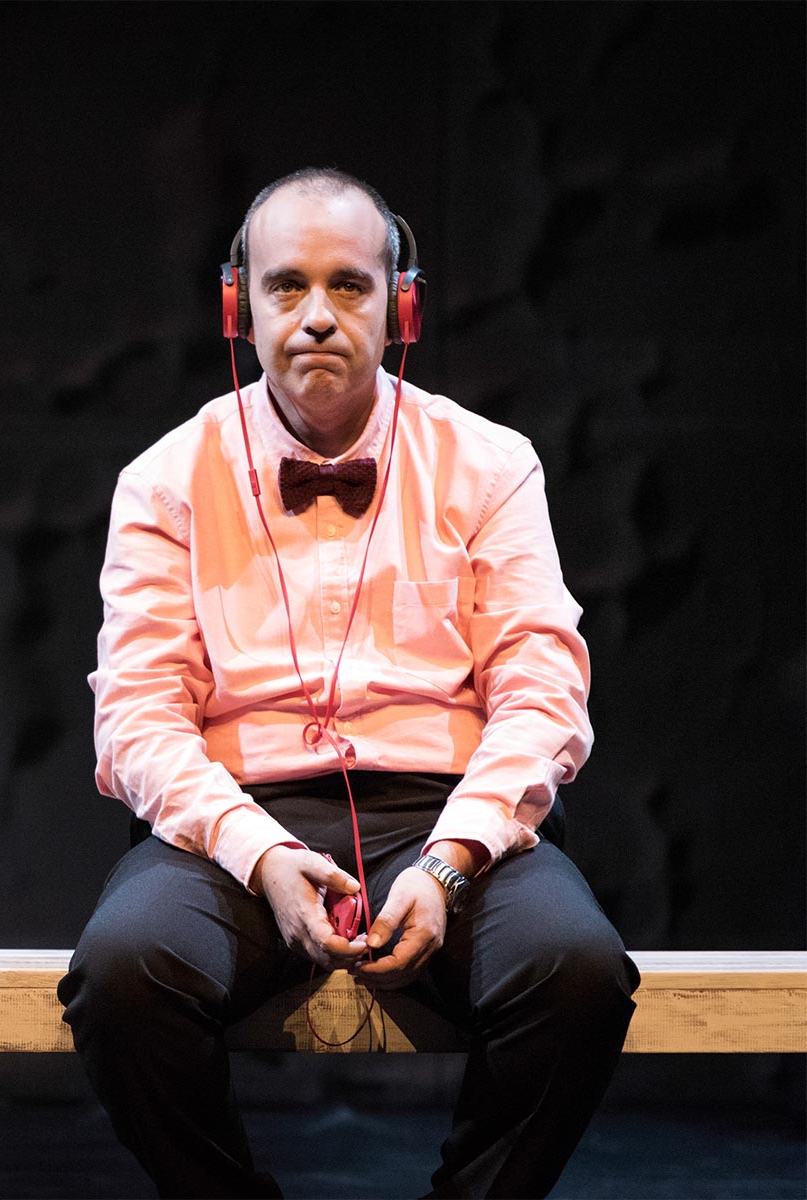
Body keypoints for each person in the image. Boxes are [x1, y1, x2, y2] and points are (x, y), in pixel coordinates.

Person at [58, 167, 640, 1199]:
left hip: (447, 815)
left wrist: (451, 861)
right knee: (124, 973)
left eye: (349, 285)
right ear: (239, 308)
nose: (318, 315)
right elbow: (139, 715)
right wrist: (261, 851)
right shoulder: (165, 480)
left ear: (400, 307)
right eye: (287, 286)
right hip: (239, 822)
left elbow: (542, 690)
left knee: (579, 972)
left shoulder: (489, 464)